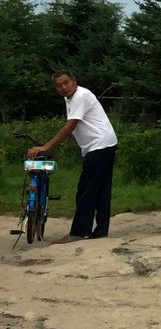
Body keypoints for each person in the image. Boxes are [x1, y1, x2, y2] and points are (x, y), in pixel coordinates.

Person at [28, 71, 118, 241]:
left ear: (74, 81)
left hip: (99, 146)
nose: (63, 87)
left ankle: (79, 232)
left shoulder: (80, 95)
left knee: (86, 190)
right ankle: (101, 232)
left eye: (66, 82)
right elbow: (77, 126)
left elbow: (70, 125)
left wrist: (46, 146)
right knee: (101, 190)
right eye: (59, 85)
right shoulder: (69, 99)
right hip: (104, 144)